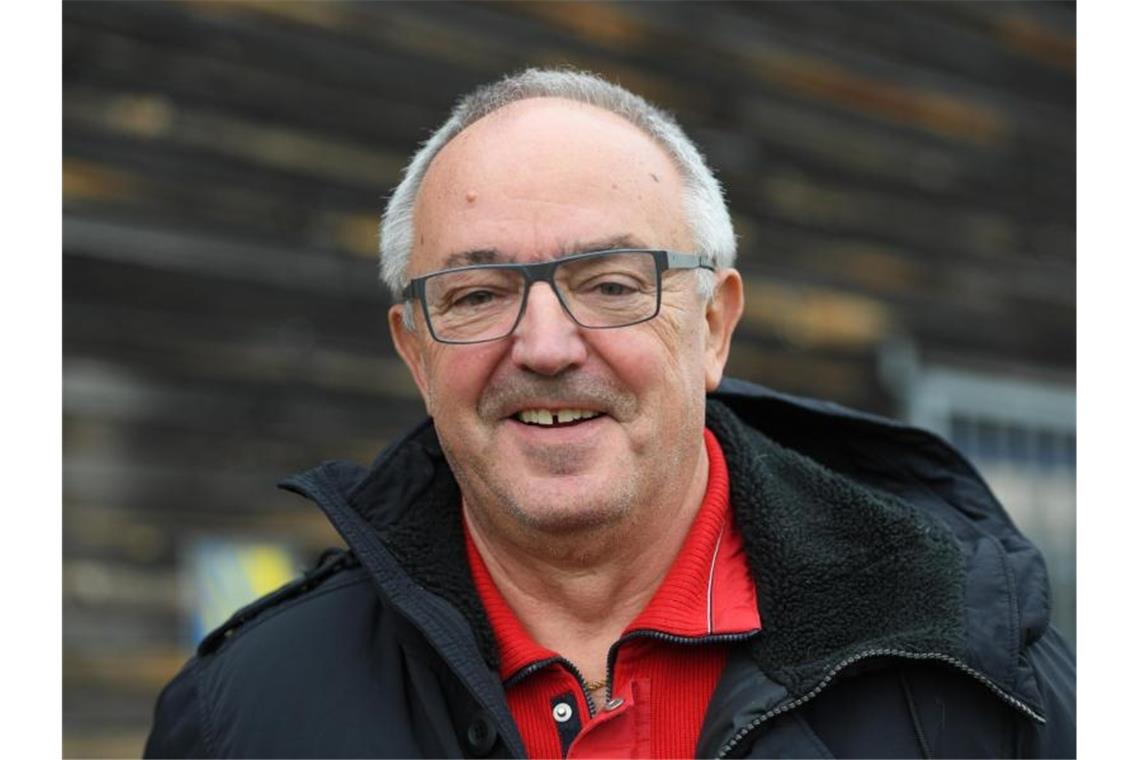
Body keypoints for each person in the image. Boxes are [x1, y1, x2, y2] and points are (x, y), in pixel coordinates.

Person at [145, 68, 1075, 759]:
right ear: (415, 352)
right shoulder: (242, 713)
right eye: (474, 295)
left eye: (612, 284)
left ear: (713, 327)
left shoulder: (976, 668)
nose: (545, 347)